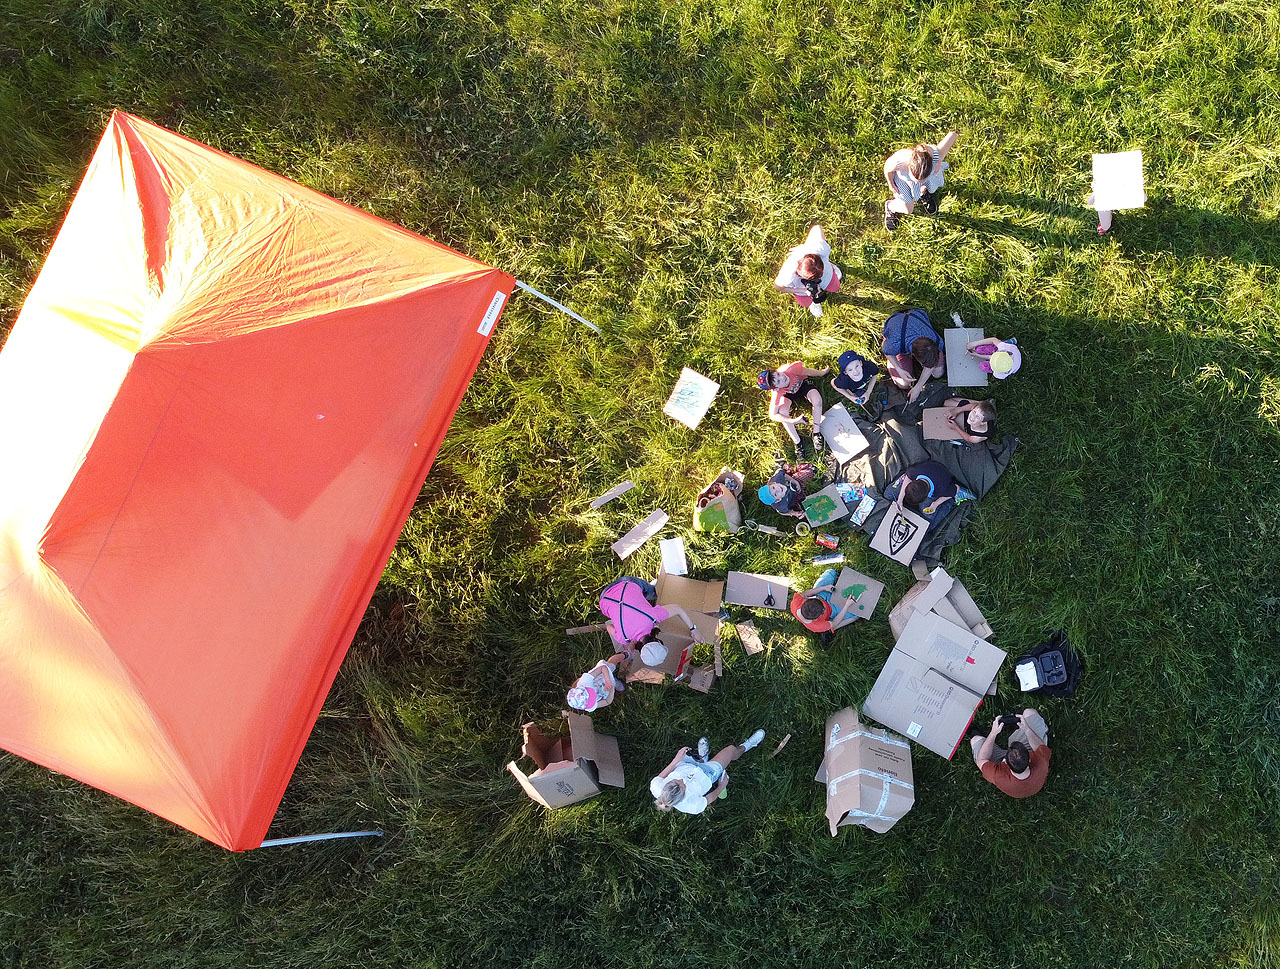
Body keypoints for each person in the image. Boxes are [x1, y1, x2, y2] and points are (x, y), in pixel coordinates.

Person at [650, 729, 766, 814]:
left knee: (694, 759)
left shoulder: (657, 787)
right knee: (730, 750)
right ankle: (747, 745)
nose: (682, 780)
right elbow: (709, 798)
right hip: (708, 774)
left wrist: (676, 759)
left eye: (677, 780)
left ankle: (702, 758)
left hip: (685, 765)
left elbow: (666, 771)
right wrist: (721, 786)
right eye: (684, 785)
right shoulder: (692, 806)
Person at [598, 576, 705, 648]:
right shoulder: (623, 638)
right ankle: (651, 591)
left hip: (626, 583)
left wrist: (694, 630)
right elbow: (609, 626)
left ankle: (653, 590)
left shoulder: (652, 617)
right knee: (647, 595)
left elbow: (678, 608)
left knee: (650, 593)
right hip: (603, 599)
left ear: (657, 639)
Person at [883, 131, 959, 231]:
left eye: (921, 180)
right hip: (905, 182)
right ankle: (891, 207)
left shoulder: (935, 155)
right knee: (908, 210)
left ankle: (923, 192)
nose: (917, 182)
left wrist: (940, 161)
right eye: (916, 180)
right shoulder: (900, 161)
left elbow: (953, 135)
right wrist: (890, 183)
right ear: (909, 166)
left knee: (929, 186)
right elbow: (887, 168)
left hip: (928, 177)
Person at [971, 709, 1051, 798]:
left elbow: (981, 760)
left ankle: (980, 735)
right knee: (1029, 713)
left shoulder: (1000, 776)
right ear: (1029, 759)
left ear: (1004, 762)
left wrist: (993, 733)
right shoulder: (1042, 759)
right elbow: (1039, 746)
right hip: (1030, 777)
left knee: (976, 740)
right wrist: (1027, 729)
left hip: (1006, 772)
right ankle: (1018, 729)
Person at [757, 362, 829, 459]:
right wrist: (793, 421)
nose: (782, 378)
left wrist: (821, 373)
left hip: (802, 384)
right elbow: (772, 415)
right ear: (776, 388)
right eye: (778, 381)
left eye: (778, 374)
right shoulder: (777, 392)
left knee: (817, 400)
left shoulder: (791, 369)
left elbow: (807, 371)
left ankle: (816, 433)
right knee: (782, 413)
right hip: (788, 394)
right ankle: (798, 442)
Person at [774, 225, 844, 317]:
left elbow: (817, 228)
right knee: (806, 302)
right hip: (803, 291)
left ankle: (831, 267)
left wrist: (805, 248)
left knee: (835, 287)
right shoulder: (788, 271)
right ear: (798, 273)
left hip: (828, 276)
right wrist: (804, 290)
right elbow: (778, 287)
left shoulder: (818, 250)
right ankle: (814, 303)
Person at [881, 308, 944, 403]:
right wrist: (899, 369)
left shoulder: (936, 340)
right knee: (903, 384)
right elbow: (888, 353)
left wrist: (918, 387)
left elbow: (931, 364)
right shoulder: (894, 344)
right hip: (896, 325)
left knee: (938, 373)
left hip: (913, 316)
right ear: (914, 355)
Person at [789, 568, 859, 634]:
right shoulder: (817, 626)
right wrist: (846, 605)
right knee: (855, 615)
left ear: (806, 599)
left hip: (821, 594)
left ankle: (823, 591)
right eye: (823, 609)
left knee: (831, 572)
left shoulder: (795, 604)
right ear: (816, 618)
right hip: (831, 610)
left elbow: (804, 594)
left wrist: (824, 588)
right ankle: (831, 629)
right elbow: (834, 623)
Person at [891, 459, 960, 519]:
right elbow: (908, 477)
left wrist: (935, 504)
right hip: (928, 470)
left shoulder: (941, 490)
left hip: (940, 477)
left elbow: (957, 488)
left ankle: (950, 503)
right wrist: (900, 500)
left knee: (928, 517)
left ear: (927, 496)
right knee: (888, 494)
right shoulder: (915, 472)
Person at [566, 651, 633, 713]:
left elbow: (602, 668)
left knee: (612, 663)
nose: (594, 697)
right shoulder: (589, 706)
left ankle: (625, 655)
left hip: (601, 674)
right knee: (616, 684)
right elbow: (607, 701)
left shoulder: (585, 681)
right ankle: (614, 681)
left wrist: (607, 680)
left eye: (591, 695)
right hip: (605, 688)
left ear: (585, 688)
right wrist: (611, 690)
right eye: (592, 700)